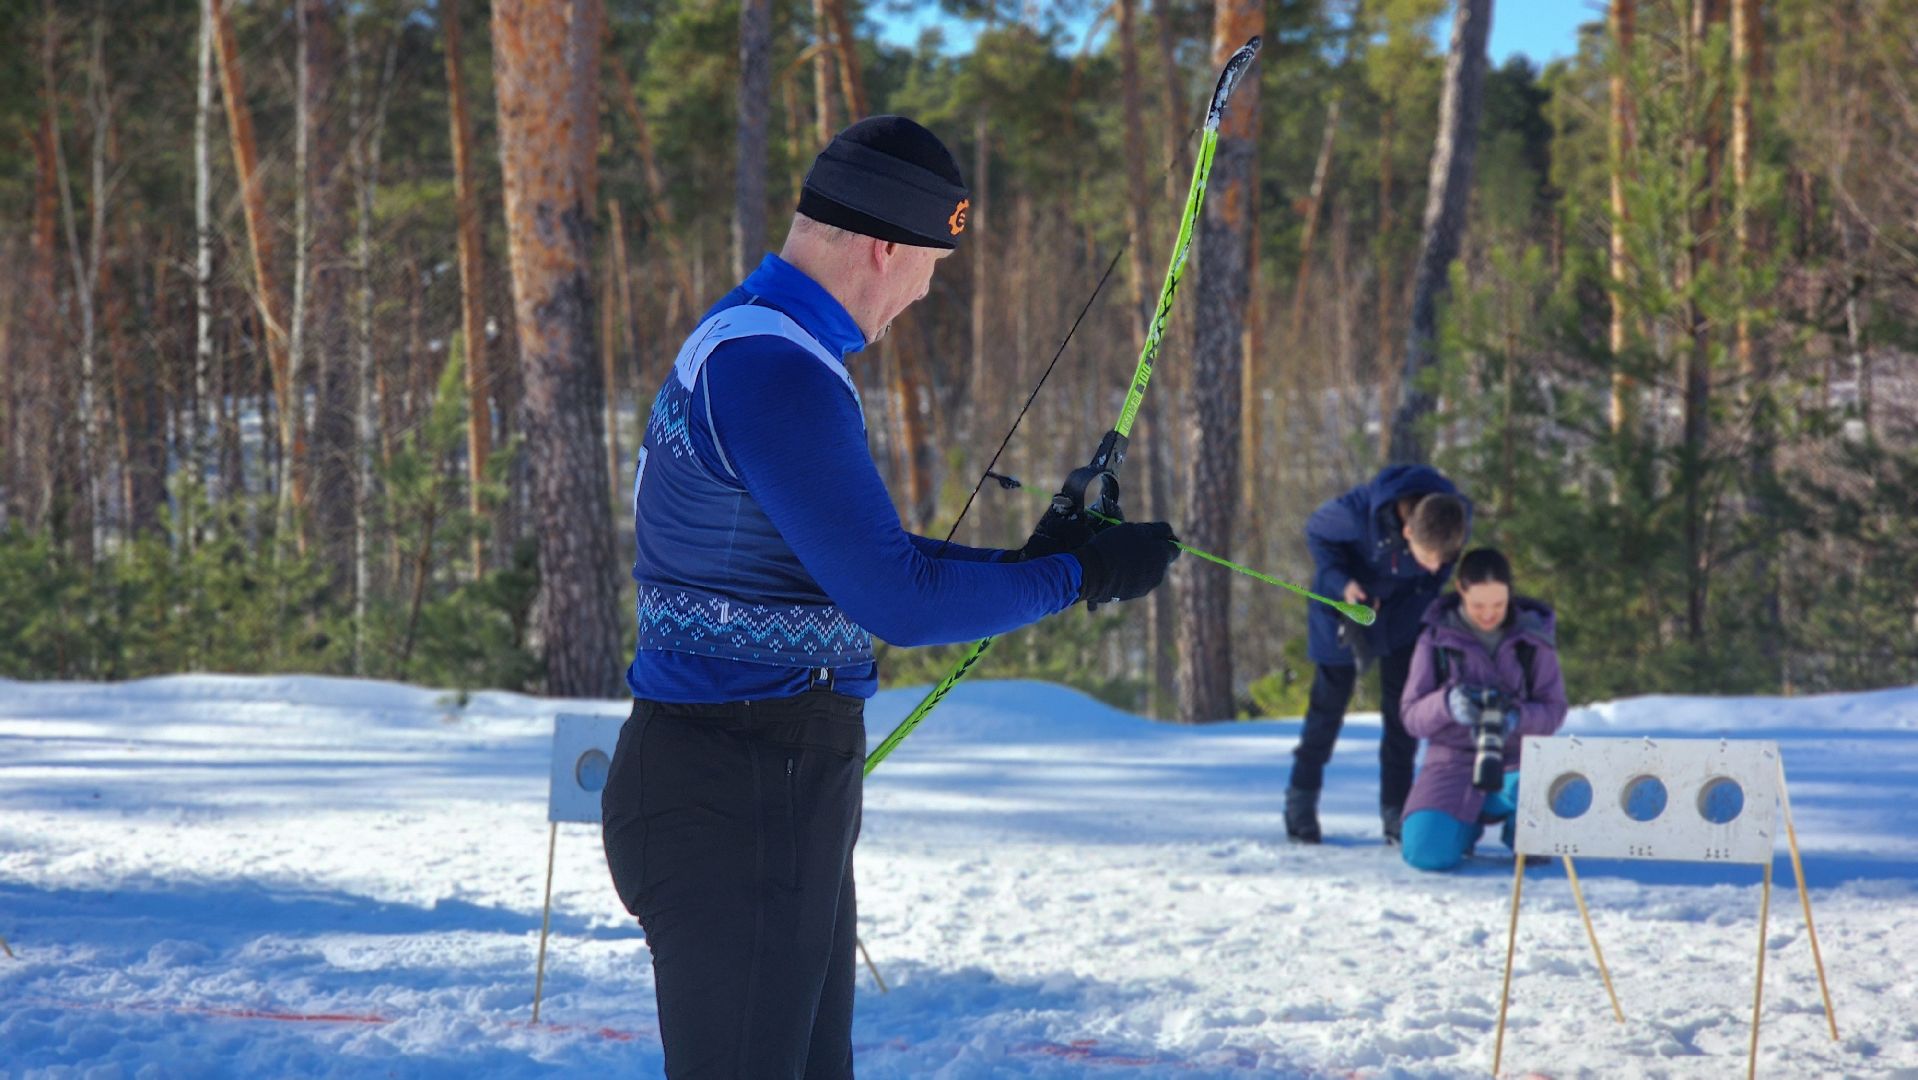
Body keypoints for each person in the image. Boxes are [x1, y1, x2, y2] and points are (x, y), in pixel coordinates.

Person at [598, 115, 1180, 1080]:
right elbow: (897, 602)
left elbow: (855, 562)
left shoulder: (762, 343)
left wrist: (1031, 560)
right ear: (884, 248)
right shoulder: (775, 369)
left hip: (760, 779)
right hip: (736, 785)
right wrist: (1080, 575)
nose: (923, 293)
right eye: (931, 267)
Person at [1286, 465, 1470, 845]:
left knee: (1402, 714)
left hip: (1403, 615)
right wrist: (1343, 583)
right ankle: (1300, 800)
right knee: (1327, 709)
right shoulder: (1355, 514)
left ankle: (1396, 810)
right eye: (1428, 558)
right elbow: (1316, 532)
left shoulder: (1454, 515)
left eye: (1441, 559)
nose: (1435, 566)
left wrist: (1427, 594)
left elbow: (1441, 570)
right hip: (1345, 608)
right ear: (1407, 532)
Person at [1398, 548, 1568, 871]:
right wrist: (1447, 704)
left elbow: (1554, 709)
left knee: (1539, 832)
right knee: (1425, 853)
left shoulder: (1533, 639)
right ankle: (1464, 824)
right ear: (1461, 591)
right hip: (1453, 761)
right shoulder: (1435, 639)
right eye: (1478, 605)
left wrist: (1517, 718)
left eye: (1498, 605)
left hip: (1519, 761)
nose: (1489, 614)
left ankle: (1520, 831)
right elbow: (1411, 716)